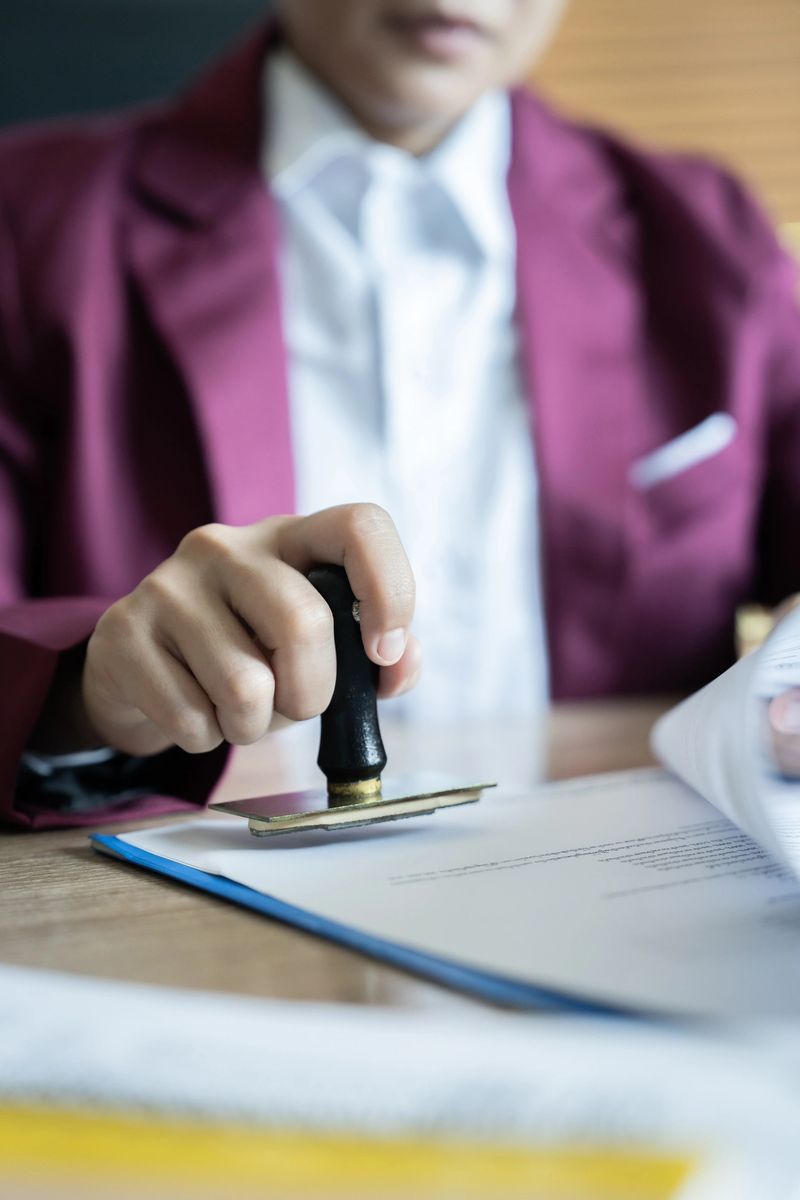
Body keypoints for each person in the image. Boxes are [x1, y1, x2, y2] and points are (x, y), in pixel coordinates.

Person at [1, 1, 799, 829]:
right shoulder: (26, 227)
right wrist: (87, 693)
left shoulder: (713, 236)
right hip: (170, 914)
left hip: (639, 895)